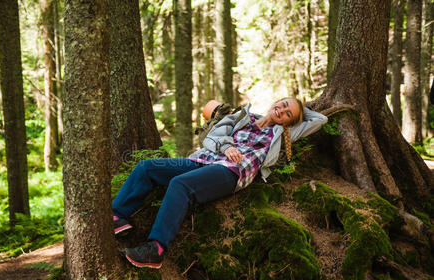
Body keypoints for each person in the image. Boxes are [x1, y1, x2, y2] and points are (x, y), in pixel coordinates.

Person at [112, 97, 328, 269]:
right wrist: (226, 147)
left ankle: (156, 249)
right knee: (147, 167)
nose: (281, 110)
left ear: (290, 122)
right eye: (282, 104)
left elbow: (320, 120)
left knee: (180, 185)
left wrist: (299, 107)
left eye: (288, 113)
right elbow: (213, 136)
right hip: (201, 160)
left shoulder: (283, 133)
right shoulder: (244, 116)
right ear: (275, 102)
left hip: (231, 172)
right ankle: (118, 216)